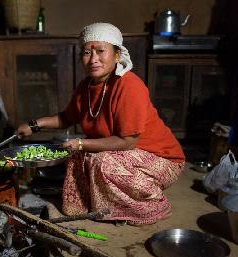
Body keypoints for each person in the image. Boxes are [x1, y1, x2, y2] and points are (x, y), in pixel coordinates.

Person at [16, 23, 185, 226]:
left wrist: (81, 144)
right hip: (125, 156)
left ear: (116, 55)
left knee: (101, 161)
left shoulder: (129, 85)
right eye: (87, 52)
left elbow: (128, 141)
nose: (93, 59)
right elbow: (66, 118)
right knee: (80, 156)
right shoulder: (85, 87)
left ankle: (154, 206)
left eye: (100, 51)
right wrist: (33, 125)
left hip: (162, 159)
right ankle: (91, 207)